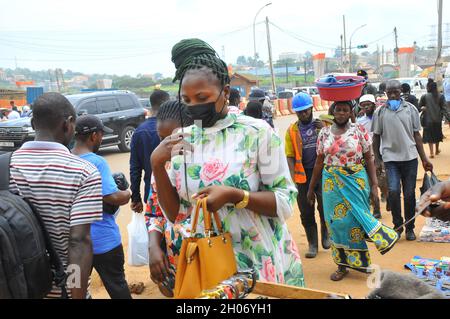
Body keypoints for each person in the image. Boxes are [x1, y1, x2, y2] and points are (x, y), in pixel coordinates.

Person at [152, 38, 304, 287]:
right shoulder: (183, 141)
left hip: (254, 260)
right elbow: (176, 214)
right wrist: (157, 165)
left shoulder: (256, 133)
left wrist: (236, 195)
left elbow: (284, 202)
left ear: (224, 92)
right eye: (187, 101)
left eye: (202, 97)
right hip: (206, 263)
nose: (194, 106)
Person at [8, 93, 103, 298]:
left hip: (15, 288)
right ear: (68, 124)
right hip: (62, 290)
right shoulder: (83, 172)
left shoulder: (4, 167)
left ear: (33, 123)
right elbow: (78, 242)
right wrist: (75, 293)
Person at [307, 101, 399, 281]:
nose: (341, 113)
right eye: (338, 110)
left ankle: (363, 260)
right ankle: (342, 265)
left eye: (345, 110)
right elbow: (319, 162)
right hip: (331, 184)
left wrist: (374, 185)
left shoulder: (359, 131)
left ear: (350, 113)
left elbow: (369, 158)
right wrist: (311, 188)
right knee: (336, 224)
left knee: (355, 221)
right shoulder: (324, 133)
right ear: (333, 111)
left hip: (356, 182)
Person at [72, 115, 132, 299]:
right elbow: (113, 197)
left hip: (73, 245)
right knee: (118, 286)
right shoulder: (97, 162)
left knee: (73, 288)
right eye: (100, 135)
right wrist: (128, 193)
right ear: (94, 136)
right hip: (104, 242)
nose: (101, 139)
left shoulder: (65, 158)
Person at [372, 80, 433, 241]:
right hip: (390, 159)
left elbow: (417, 136)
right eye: (389, 92)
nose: (392, 95)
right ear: (385, 92)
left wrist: (424, 158)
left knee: (408, 194)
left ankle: (410, 228)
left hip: (410, 158)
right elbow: (376, 137)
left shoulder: (411, 109)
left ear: (401, 92)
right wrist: (377, 159)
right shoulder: (380, 112)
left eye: (395, 92)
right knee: (393, 191)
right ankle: (397, 225)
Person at [146, 100, 194, 297]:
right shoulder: (161, 164)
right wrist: (154, 247)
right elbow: (154, 212)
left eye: (175, 138)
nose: (167, 146)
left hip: (208, 253)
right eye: (162, 139)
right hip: (176, 255)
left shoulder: (205, 164)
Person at [285, 92, 330, 259]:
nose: (303, 114)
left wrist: (324, 130)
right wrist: (292, 177)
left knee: (325, 206)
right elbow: (290, 155)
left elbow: (336, 143)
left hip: (322, 173)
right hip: (303, 176)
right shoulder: (291, 131)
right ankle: (312, 244)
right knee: (306, 210)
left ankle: (326, 235)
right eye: (299, 112)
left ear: (311, 108)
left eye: (305, 111)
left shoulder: (324, 124)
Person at [129, 90, 170, 213]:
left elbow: (135, 169)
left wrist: (135, 198)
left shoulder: (139, 132)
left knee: (154, 228)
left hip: (151, 194)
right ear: (167, 104)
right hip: (175, 192)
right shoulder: (175, 128)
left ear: (151, 105)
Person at [357, 94, 384, 218]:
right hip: (367, 156)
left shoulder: (381, 118)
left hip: (382, 154)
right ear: (361, 107)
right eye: (364, 105)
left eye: (369, 105)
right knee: (371, 183)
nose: (367, 107)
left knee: (383, 181)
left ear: (374, 105)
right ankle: (376, 208)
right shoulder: (360, 122)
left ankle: (386, 195)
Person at [419, 80, 449, 158]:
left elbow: (419, 106)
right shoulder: (441, 96)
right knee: (437, 134)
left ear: (428, 87)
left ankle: (431, 152)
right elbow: (444, 108)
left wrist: (423, 108)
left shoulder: (424, 96)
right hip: (438, 119)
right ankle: (436, 150)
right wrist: (447, 116)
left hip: (427, 120)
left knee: (429, 136)